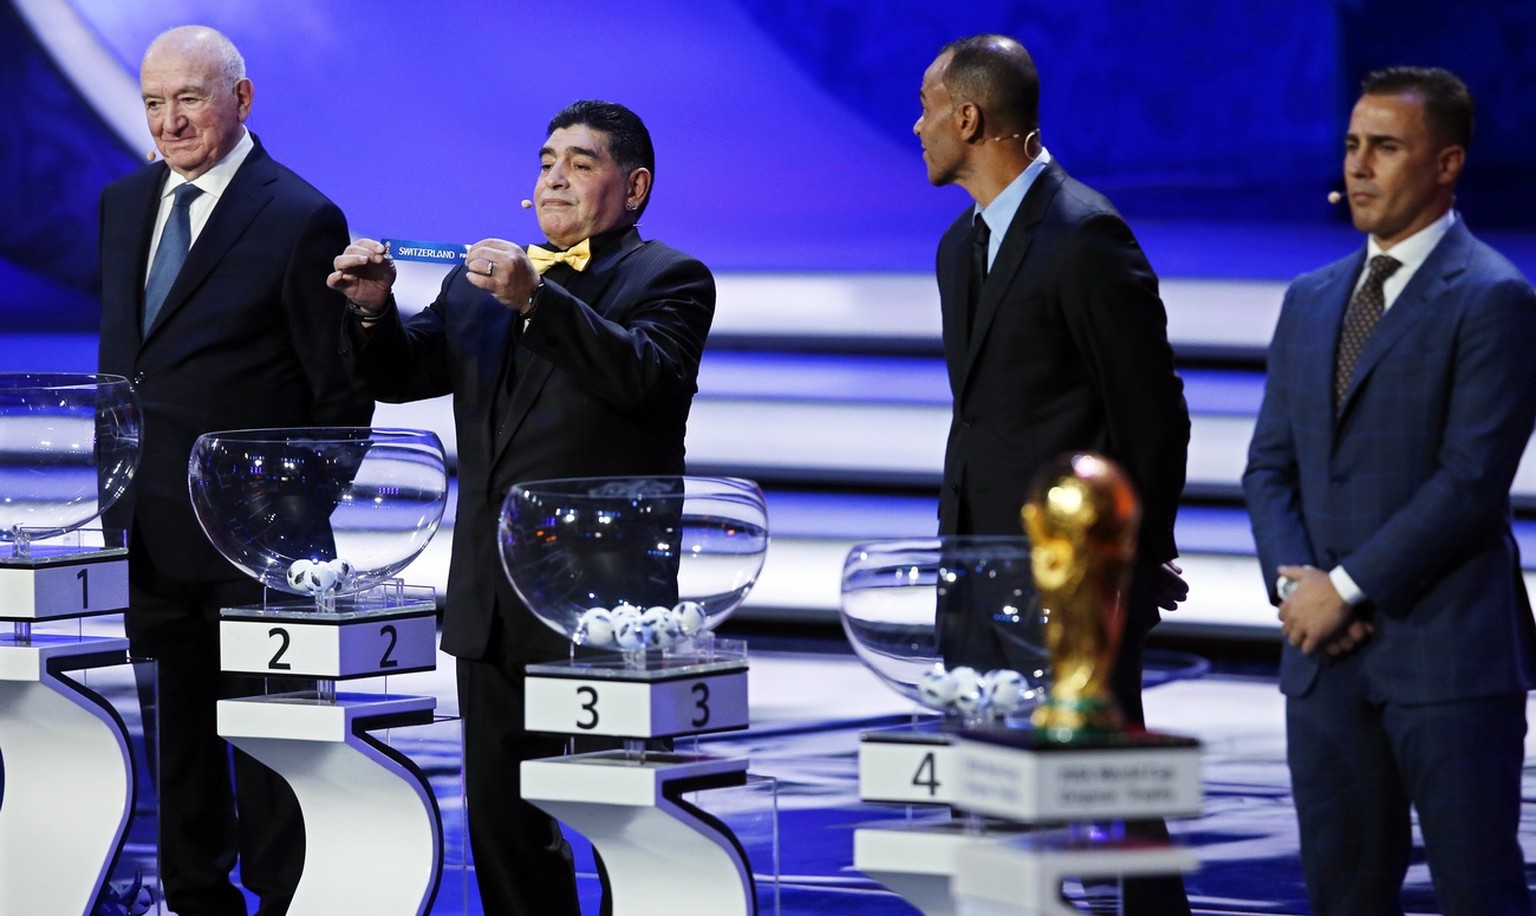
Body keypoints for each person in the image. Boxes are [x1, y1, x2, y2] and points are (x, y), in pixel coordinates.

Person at [329, 99, 715, 915]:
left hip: (603, 610)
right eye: (546, 162)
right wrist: (371, 309)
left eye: (581, 162)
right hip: (494, 604)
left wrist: (539, 301)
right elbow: (400, 375)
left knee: (628, 830)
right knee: (506, 834)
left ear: (634, 187)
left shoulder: (670, 279)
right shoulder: (476, 289)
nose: (555, 177)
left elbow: (645, 375)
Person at [1244, 66, 1536, 915]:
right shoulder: (1308, 300)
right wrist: (1298, 587)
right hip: (1322, 665)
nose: (1359, 167)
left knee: (1478, 892)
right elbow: (1269, 467)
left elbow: (1471, 482)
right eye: (1351, 146)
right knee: (1341, 898)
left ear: (1446, 164)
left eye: (1385, 147)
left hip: (1446, 659)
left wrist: (1346, 589)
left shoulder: (1493, 298)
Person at [97, 25, 372, 916]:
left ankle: (287, 899)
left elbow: (341, 397)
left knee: (268, 749)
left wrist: (284, 523)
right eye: (152, 102)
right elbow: (126, 365)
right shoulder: (123, 203)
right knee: (176, 744)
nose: (168, 121)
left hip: (260, 548)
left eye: (188, 99)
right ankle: (193, 896)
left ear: (241, 100)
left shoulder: (298, 216)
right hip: (148, 530)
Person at [915, 34, 1193, 914]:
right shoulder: (959, 246)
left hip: (1075, 584)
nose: (916, 126)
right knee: (995, 813)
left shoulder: (1082, 234)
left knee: (1119, 817)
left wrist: (1133, 559)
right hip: (976, 573)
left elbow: (1151, 413)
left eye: (927, 107)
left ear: (970, 117)